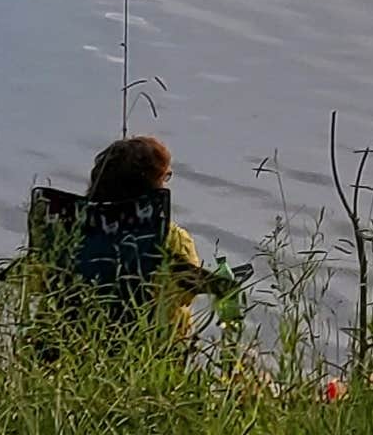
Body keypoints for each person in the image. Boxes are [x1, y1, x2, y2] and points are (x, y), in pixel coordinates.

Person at [21, 132, 244, 354]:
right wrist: (223, 285)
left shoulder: (65, 229)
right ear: (153, 190)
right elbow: (184, 295)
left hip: (63, 349)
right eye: (165, 177)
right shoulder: (172, 238)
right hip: (146, 354)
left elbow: (33, 282)